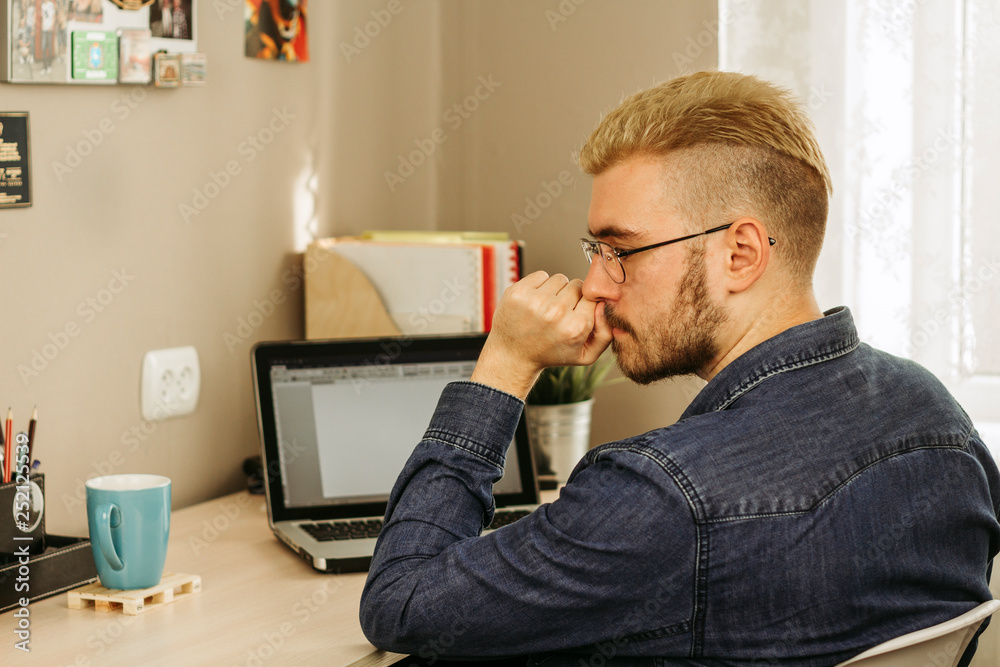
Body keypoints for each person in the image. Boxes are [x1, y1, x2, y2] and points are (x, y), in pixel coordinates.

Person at [359, 71, 1000, 666]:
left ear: (740, 254)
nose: (595, 285)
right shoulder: (940, 419)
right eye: (595, 250)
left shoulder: (662, 495)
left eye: (621, 249)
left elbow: (401, 601)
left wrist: (506, 362)